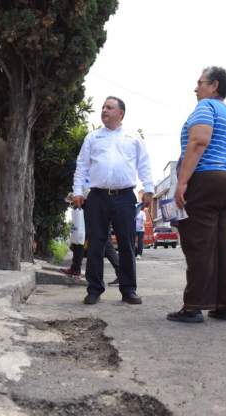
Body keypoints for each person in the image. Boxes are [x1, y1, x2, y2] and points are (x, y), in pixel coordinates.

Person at [167, 67, 226, 323]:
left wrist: (182, 182)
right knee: (225, 247)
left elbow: (199, 141)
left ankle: (193, 306)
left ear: (213, 85)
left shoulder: (206, 107)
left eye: (200, 82)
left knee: (199, 243)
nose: (196, 88)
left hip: (208, 179)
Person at [72, 96, 153, 305]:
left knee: (127, 244)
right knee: (96, 243)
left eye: (109, 107)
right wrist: (78, 191)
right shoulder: (92, 138)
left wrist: (149, 189)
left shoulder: (133, 138)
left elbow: (144, 165)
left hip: (125, 196)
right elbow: (81, 165)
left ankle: (128, 290)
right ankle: (94, 289)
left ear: (120, 114)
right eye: (103, 107)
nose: (104, 110)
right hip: (97, 196)